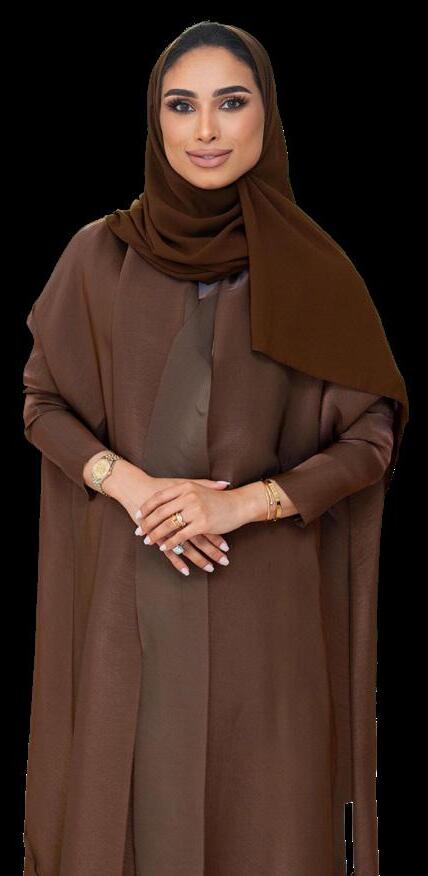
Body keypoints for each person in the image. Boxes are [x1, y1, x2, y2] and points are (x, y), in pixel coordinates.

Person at [22, 21, 409, 876]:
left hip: (263, 615)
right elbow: (42, 402)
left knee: (267, 827)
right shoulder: (97, 258)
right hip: (125, 606)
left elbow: (371, 435)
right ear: (154, 121)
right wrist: (132, 486)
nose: (205, 129)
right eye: (181, 105)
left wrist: (239, 503)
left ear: (267, 115)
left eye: (230, 103)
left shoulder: (316, 271)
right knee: (119, 822)